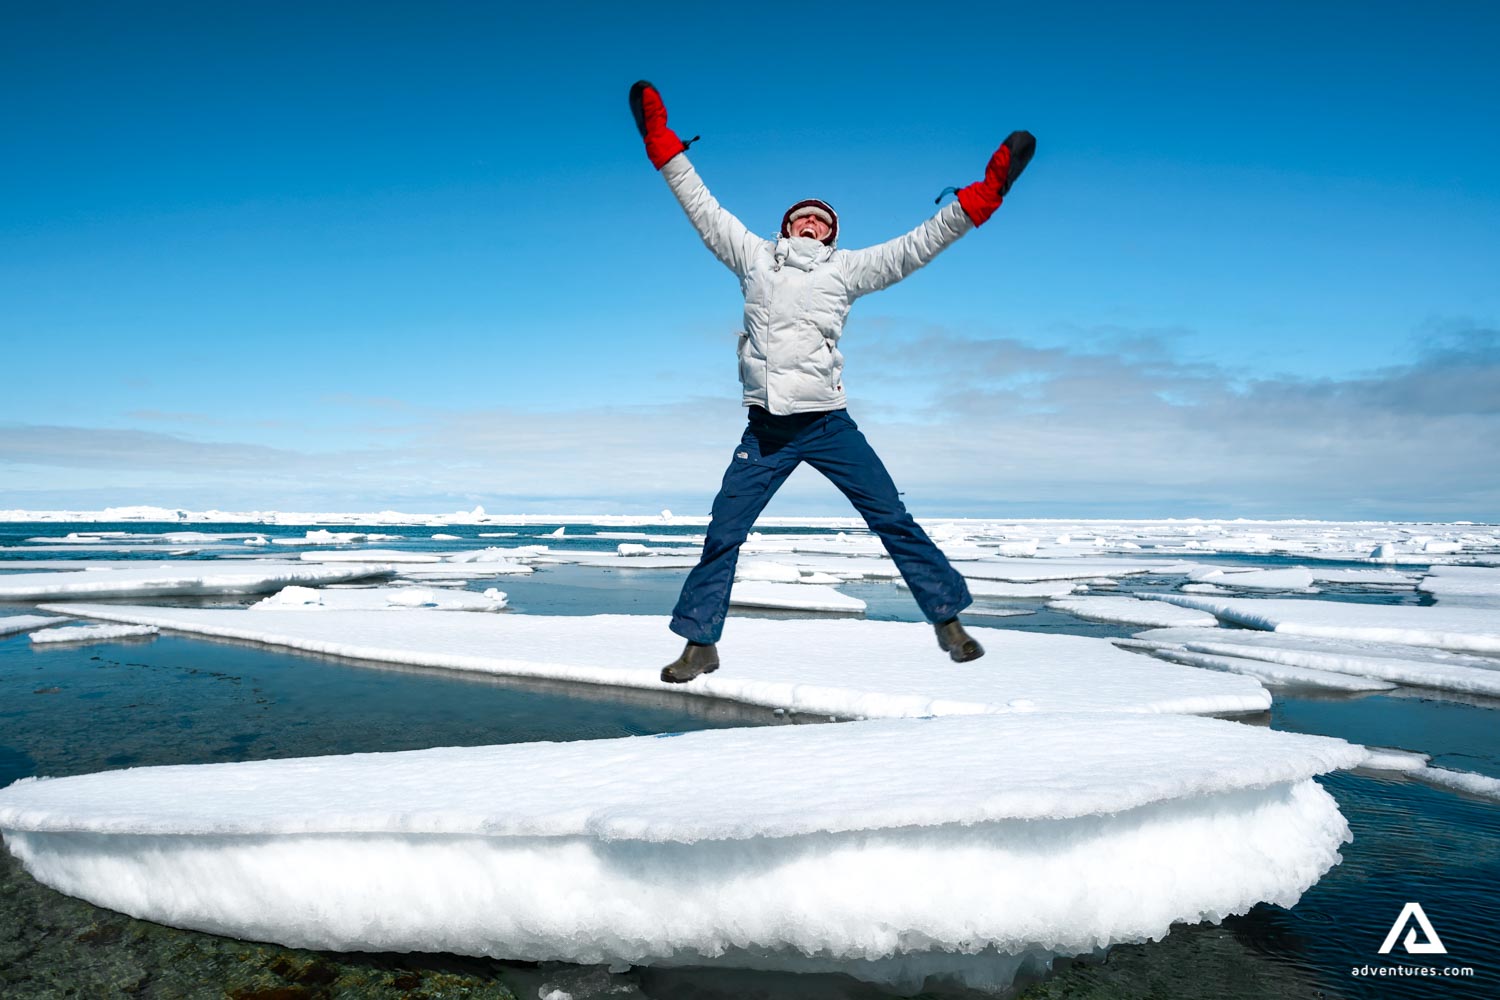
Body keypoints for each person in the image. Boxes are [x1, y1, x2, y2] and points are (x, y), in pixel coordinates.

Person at [628, 80, 1035, 684]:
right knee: (723, 533)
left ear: (831, 235)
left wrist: (980, 199)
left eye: (821, 222)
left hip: (826, 423)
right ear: (786, 227)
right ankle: (699, 644)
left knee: (891, 517)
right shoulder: (753, 257)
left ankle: (948, 621)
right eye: (802, 219)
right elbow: (702, 205)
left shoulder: (848, 270)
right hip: (765, 429)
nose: (811, 225)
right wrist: (663, 146)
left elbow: (917, 245)